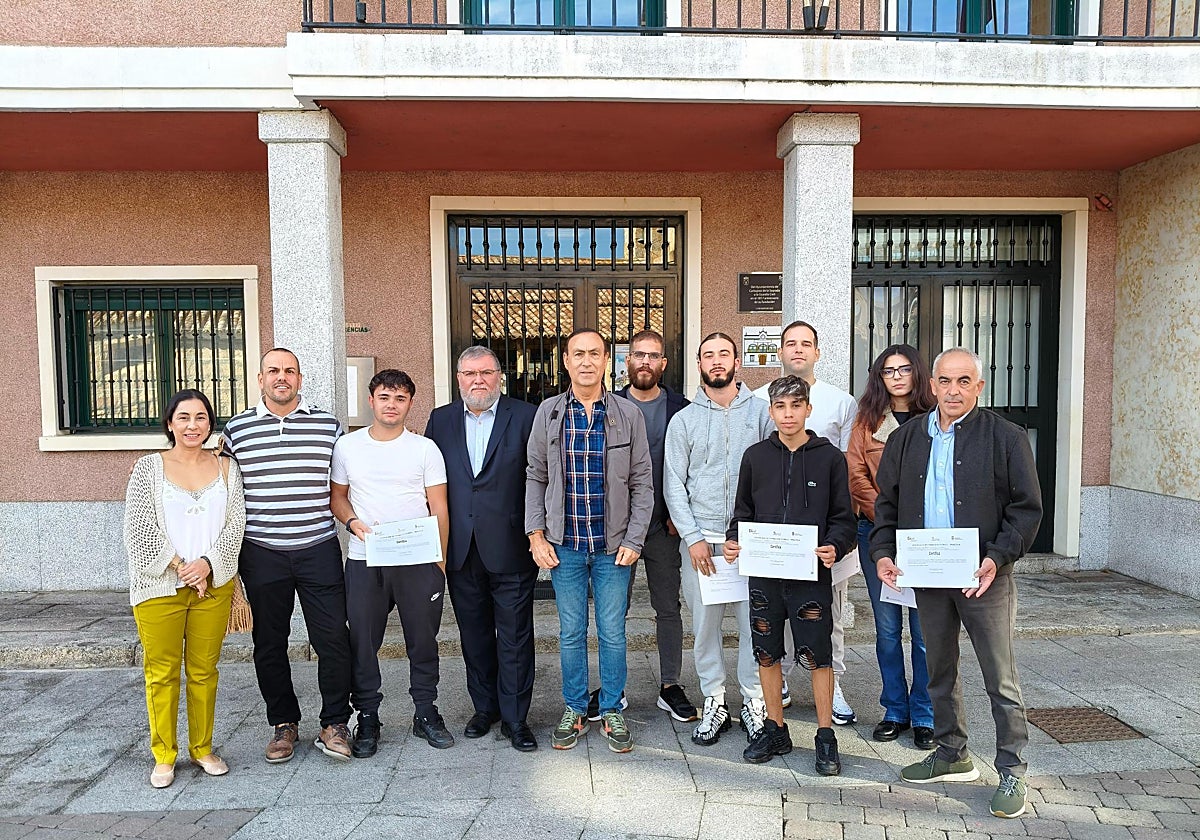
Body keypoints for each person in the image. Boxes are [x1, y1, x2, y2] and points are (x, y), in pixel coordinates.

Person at [872, 347, 1042, 819]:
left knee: (999, 677)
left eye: (964, 381)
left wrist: (996, 558)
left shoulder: (1005, 437)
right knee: (938, 669)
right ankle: (952, 752)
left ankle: (1012, 767)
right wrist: (884, 554)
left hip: (983, 577)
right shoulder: (906, 439)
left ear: (979, 387)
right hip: (928, 578)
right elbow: (887, 504)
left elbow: (1027, 509)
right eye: (945, 381)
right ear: (932, 386)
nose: (953, 390)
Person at [221, 348, 354, 764]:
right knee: (269, 643)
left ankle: (334, 721)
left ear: (300, 378)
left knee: (333, 637)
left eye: (290, 371)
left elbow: (348, 485)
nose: (282, 377)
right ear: (260, 379)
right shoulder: (235, 430)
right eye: (273, 371)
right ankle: (283, 723)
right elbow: (220, 491)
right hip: (262, 553)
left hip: (318, 548)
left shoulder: (328, 426)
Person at [525, 328, 653, 753]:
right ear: (565, 360)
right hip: (565, 545)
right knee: (571, 632)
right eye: (577, 354)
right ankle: (575, 707)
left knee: (613, 632)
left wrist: (635, 538)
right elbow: (535, 475)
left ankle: (612, 707)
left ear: (606, 362)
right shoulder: (548, 413)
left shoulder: (626, 413)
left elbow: (641, 482)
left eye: (593, 354)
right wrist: (535, 534)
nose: (585, 361)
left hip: (614, 547)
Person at [724, 376, 857, 771]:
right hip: (764, 575)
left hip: (810, 575)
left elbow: (844, 519)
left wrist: (835, 545)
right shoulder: (755, 457)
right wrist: (734, 540)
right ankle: (775, 727)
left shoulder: (830, 458)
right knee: (766, 652)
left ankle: (824, 735)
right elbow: (742, 514)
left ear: (808, 410)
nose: (788, 414)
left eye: (795, 406)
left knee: (818, 655)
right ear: (770, 411)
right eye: (780, 407)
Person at [124, 389, 245, 788]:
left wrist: (208, 565)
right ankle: (164, 755)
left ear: (210, 423)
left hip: (213, 585)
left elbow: (236, 524)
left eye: (201, 417)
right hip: (159, 586)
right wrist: (181, 567)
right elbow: (139, 528)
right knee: (161, 673)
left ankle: (203, 748)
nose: (193, 425)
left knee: (204, 670)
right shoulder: (148, 469)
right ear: (170, 423)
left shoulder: (227, 468)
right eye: (184, 417)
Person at [424, 346, 540, 752]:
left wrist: (536, 533)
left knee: (514, 635)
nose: (478, 380)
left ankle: (516, 718)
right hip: (459, 547)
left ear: (499, 377)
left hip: (511, 544)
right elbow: (427, 483)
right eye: (470, 373)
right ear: (458, 378)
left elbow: (538, 478)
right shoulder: (440, 420)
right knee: (473, 635)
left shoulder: (525, 416)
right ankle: (484, 707)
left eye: (486, 373)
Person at [332, 369, 453, 754]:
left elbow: (439, 507)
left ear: (410, 404)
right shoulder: (347, 447)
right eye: (385, 397)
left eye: (400, 399)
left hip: (418, 561)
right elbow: (337, 498)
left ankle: (426, 712)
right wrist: (353, 524)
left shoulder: (424, 449)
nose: (391, 405)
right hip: (366, 560)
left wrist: (441, 562)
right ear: (371, 400)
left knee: (423, 640)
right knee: (364, 642)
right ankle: (367, 716)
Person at [664, 332, 773, 746]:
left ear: (737, 360)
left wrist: (760, 533)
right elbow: (674, 483)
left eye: (723, 353)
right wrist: (692, 538)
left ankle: (753, 699)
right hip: (703, 546)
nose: (716, 361)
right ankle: (714, 699)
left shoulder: (762, 414)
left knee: (754, 626)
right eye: (708, 354)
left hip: (749, 544)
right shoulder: (685, 420)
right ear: (699, 364)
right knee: (705, 629)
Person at [754, 320, 858, 725]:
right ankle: (776, 686)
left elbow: (847, 466)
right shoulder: (759, 398)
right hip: (775, 539)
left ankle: (834, 688)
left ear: (817, 351)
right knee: (772, 615)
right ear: (780, 351)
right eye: (790, 344)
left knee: (829, 614)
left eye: (806, 344)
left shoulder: (841, 402)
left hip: (821, 538)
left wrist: (837, 537)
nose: (798, 350)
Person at [846, 345, 937, 750]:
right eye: (888, 371)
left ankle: (925, 714)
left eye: (903, 369)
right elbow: (856, 474)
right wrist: (884, 516)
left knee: (924, 631)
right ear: (879, 378)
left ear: (917, 373)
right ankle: (894, 710)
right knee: (886, 629)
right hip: (877, 534)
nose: (897, 377)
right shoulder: (867, 420)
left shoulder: (937, 421)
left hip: (925, 539)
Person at [613, 329, 697, 724]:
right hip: (616, 529)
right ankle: (615, 686)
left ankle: (670, 685)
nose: (645, 362)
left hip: (664, 527)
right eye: (638, 354)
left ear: (664, 364)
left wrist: (681, 516)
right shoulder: (608, 406)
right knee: (615, 610)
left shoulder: (682, 408)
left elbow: (691, 468)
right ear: (626, 361)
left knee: (667, 607)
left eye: (653, 356)